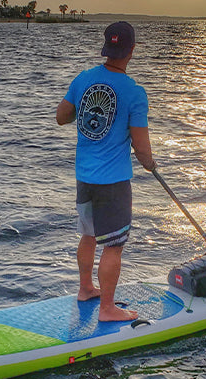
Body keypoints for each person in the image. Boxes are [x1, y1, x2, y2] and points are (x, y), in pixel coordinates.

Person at [56, 21, 156, 322]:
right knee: (113, 245)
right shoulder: (134, 92)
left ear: (106, 48)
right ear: (132, 50)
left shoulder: (84, 78)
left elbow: (62, 117)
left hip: (84, 176)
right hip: (112, 182)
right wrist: (150, 163)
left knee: (88, 235)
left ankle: (86, 288)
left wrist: (83, 105)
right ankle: (107, 309)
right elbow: (141, 145)